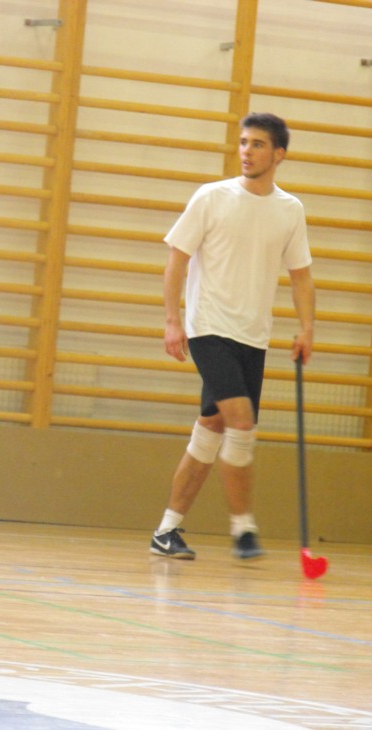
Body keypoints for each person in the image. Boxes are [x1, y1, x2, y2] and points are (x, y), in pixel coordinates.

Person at [150, 112, 315, 560]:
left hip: (253, 337)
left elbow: (301, 277)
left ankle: (166, 531)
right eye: (243, 142)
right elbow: (177, 259)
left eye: (257, 144)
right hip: (209, 329)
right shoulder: (211, 197)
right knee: (241, 424)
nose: (246, 151)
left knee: (211, 428)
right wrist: (172, 320)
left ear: (278, 154)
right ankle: (244, 529)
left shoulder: (290, 210)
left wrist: (306, 328)